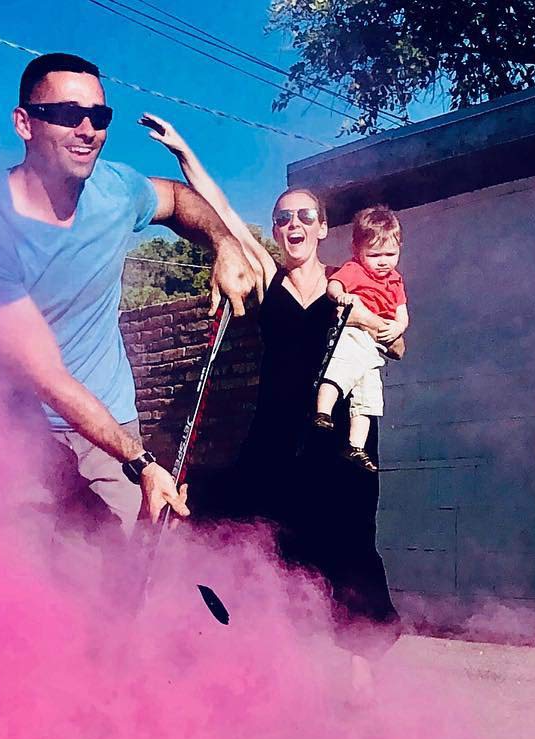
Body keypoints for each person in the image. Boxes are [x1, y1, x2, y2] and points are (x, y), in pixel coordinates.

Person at [140, 114, 402, 688]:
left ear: (324, 227)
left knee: (352, 544)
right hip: (276, 436)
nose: (294, 225)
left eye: (306, 216)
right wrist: (185, 156)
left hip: (341, 440)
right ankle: (260, 665)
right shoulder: (264, 278)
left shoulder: (348, 284)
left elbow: (398, 340)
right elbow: (224, 217)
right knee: (251, 534)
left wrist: (377, 326)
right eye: (284, 217)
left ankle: (360, 685)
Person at [0, 55, 255, 540]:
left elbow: (180, 199)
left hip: (110, 424)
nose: (86, 129)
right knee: (24, 576)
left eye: (99, 117)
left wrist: (224, 244)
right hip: (14, 433)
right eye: (65, 114)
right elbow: (47, 374)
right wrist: (141, 460)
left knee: (129, 568)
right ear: (24, 123)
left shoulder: (116, 190)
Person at [315, 206, 408, 473]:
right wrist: (340, 296)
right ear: (357, 251)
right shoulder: (355, 270)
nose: (383, 261)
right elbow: (334, 286)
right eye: (374, 255)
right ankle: (323, 412)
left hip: (374, 347)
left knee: (369, 397)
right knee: (341, 371)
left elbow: (402, 313)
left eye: (390, 254)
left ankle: (356, 446)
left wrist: (398, 327)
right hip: (354, 333)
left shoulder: (396, 280)